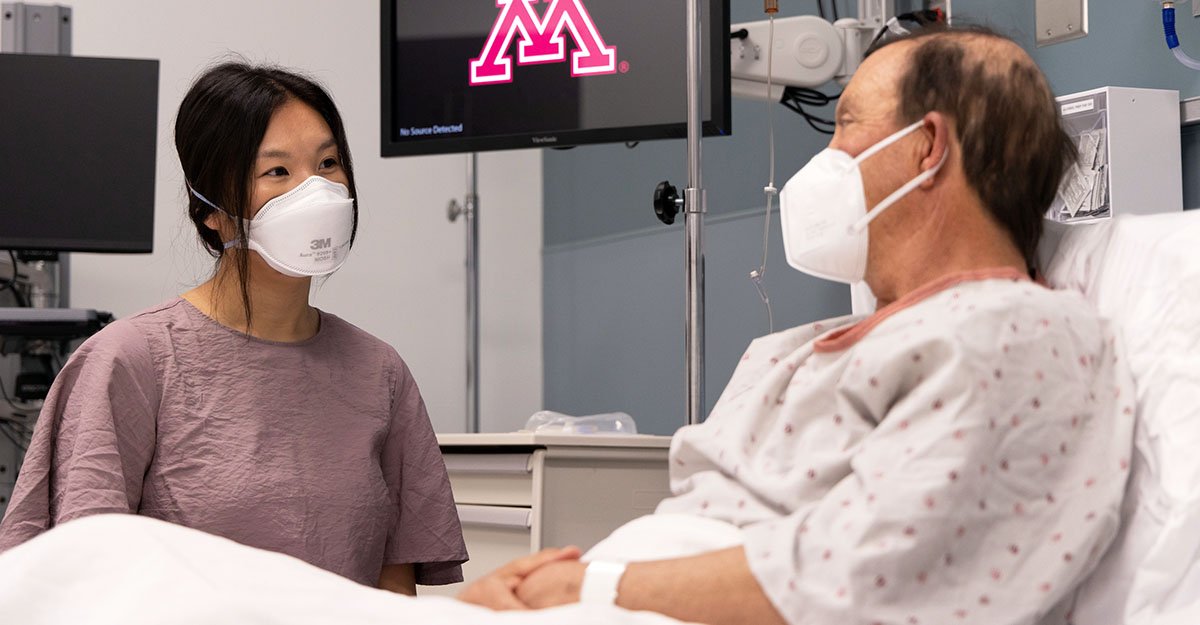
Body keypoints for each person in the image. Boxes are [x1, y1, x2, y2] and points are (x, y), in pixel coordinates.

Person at [458, 25, 1136, 625]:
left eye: (845, 125)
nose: (827, 156)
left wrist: (592, 586)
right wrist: (548, 587)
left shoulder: (1015, 337)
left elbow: (865, 578)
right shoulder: (804, 347)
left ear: (927, 146)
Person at [0, 62, 467, 594]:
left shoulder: (379, 373)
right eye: (277, 173)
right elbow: (86, 580)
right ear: (210, 211)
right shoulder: (129, 362)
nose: (316, 193)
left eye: (328, 163)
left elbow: (392, 591)